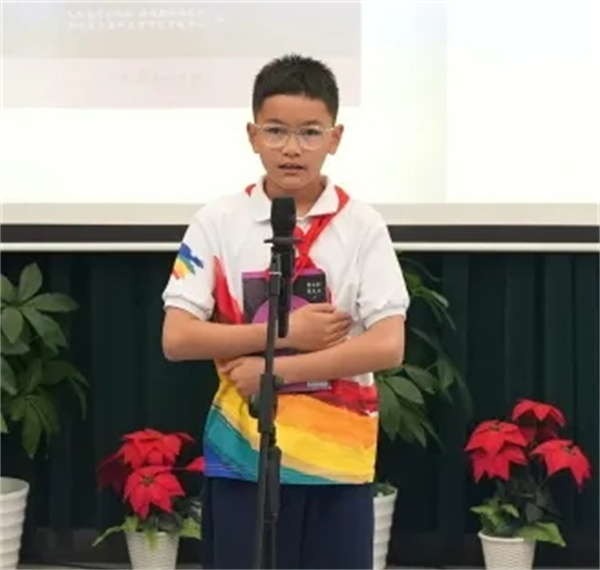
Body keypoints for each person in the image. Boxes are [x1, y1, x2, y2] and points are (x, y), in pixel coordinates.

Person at [161, 54, 410, 569]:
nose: (292, 148)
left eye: (310, 132)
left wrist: (276, 371)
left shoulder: (361, 225)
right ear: (252, 135)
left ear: (335, 138)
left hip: (336, 458)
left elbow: (388, 344)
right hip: (242, 454)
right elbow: (178, 337)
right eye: (275, 131)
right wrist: (287, 333)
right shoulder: (218, 220)